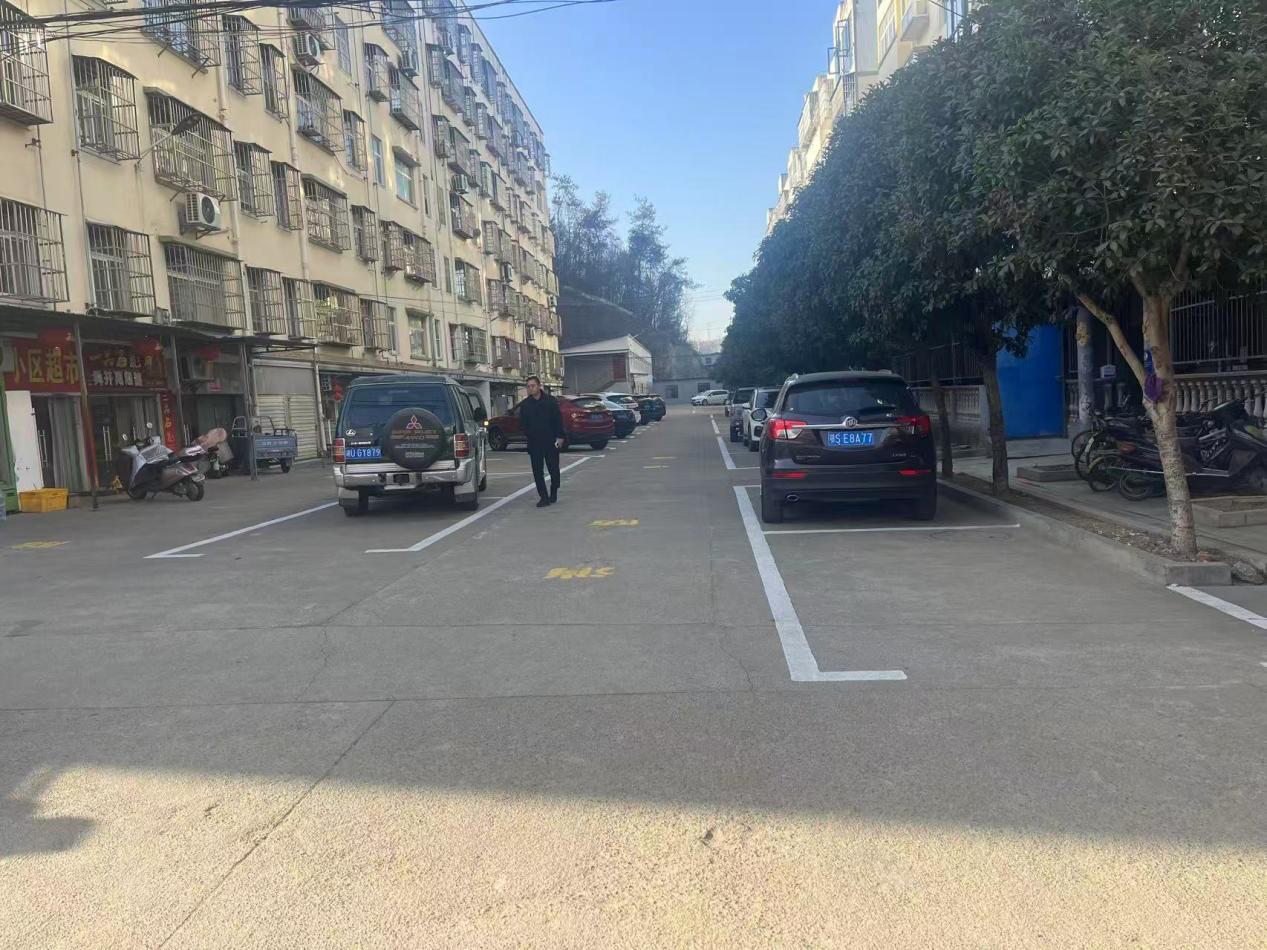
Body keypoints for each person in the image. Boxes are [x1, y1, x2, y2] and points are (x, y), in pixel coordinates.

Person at [518, 375, 565, 507]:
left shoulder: (550, 401)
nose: (530, 388)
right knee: (537, 472)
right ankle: (543, 497)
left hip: (551, 441)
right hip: (534, 443)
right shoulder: (525, 405)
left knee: (554, 469)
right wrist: (529, 433)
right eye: (528, 386)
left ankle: (554, 492)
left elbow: (558, 420)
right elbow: (523, 424)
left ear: (539, 386)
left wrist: (560, 436)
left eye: (533, 386)